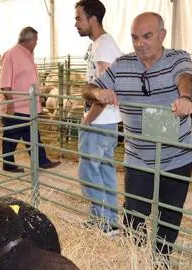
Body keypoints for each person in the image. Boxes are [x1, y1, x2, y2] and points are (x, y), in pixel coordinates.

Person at [82, 12, 192, 261]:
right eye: (135, 38)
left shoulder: (178, 58)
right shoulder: (122, 65)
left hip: (177, 156)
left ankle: (161, 259)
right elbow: (87, 89)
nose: (140, 43)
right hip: (138, 157)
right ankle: (139, 259)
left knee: (169, 214)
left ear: (162, 35)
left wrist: (185, 98)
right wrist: (97, 94)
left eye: (147, 36)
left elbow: (185, 78)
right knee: (134, 213)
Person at [75, 0, 123, 235]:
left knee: (89, 171)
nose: (76, 24)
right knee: (104, 169)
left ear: (93, 19)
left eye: (79, 18)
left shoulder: (103, 46)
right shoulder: (103, 44)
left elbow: (107, 89)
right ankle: (108, 221)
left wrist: (88, 119)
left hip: (100, 120)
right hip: (108, 120)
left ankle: (103, 220)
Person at [0, 26, 60, 172]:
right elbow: (5, 84)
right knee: (11, 136)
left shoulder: (27, 54)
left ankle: (42, 161)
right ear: (30, 40)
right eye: (36, 41)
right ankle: (8, 164)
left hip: (29, 106)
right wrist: (11, 103)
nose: (36, 44)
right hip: (17, 106)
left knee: (32, 135)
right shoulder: (11, 55)